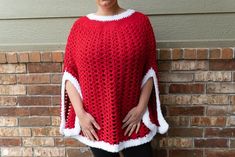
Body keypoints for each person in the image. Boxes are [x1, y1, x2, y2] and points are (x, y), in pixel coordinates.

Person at [59, 0, 169, 156]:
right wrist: (81, 114)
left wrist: (140, 109)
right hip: (97, 123)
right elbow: (70, 75)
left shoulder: (140, 22)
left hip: (134, 120)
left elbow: (150, 71)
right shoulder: (80, 27)